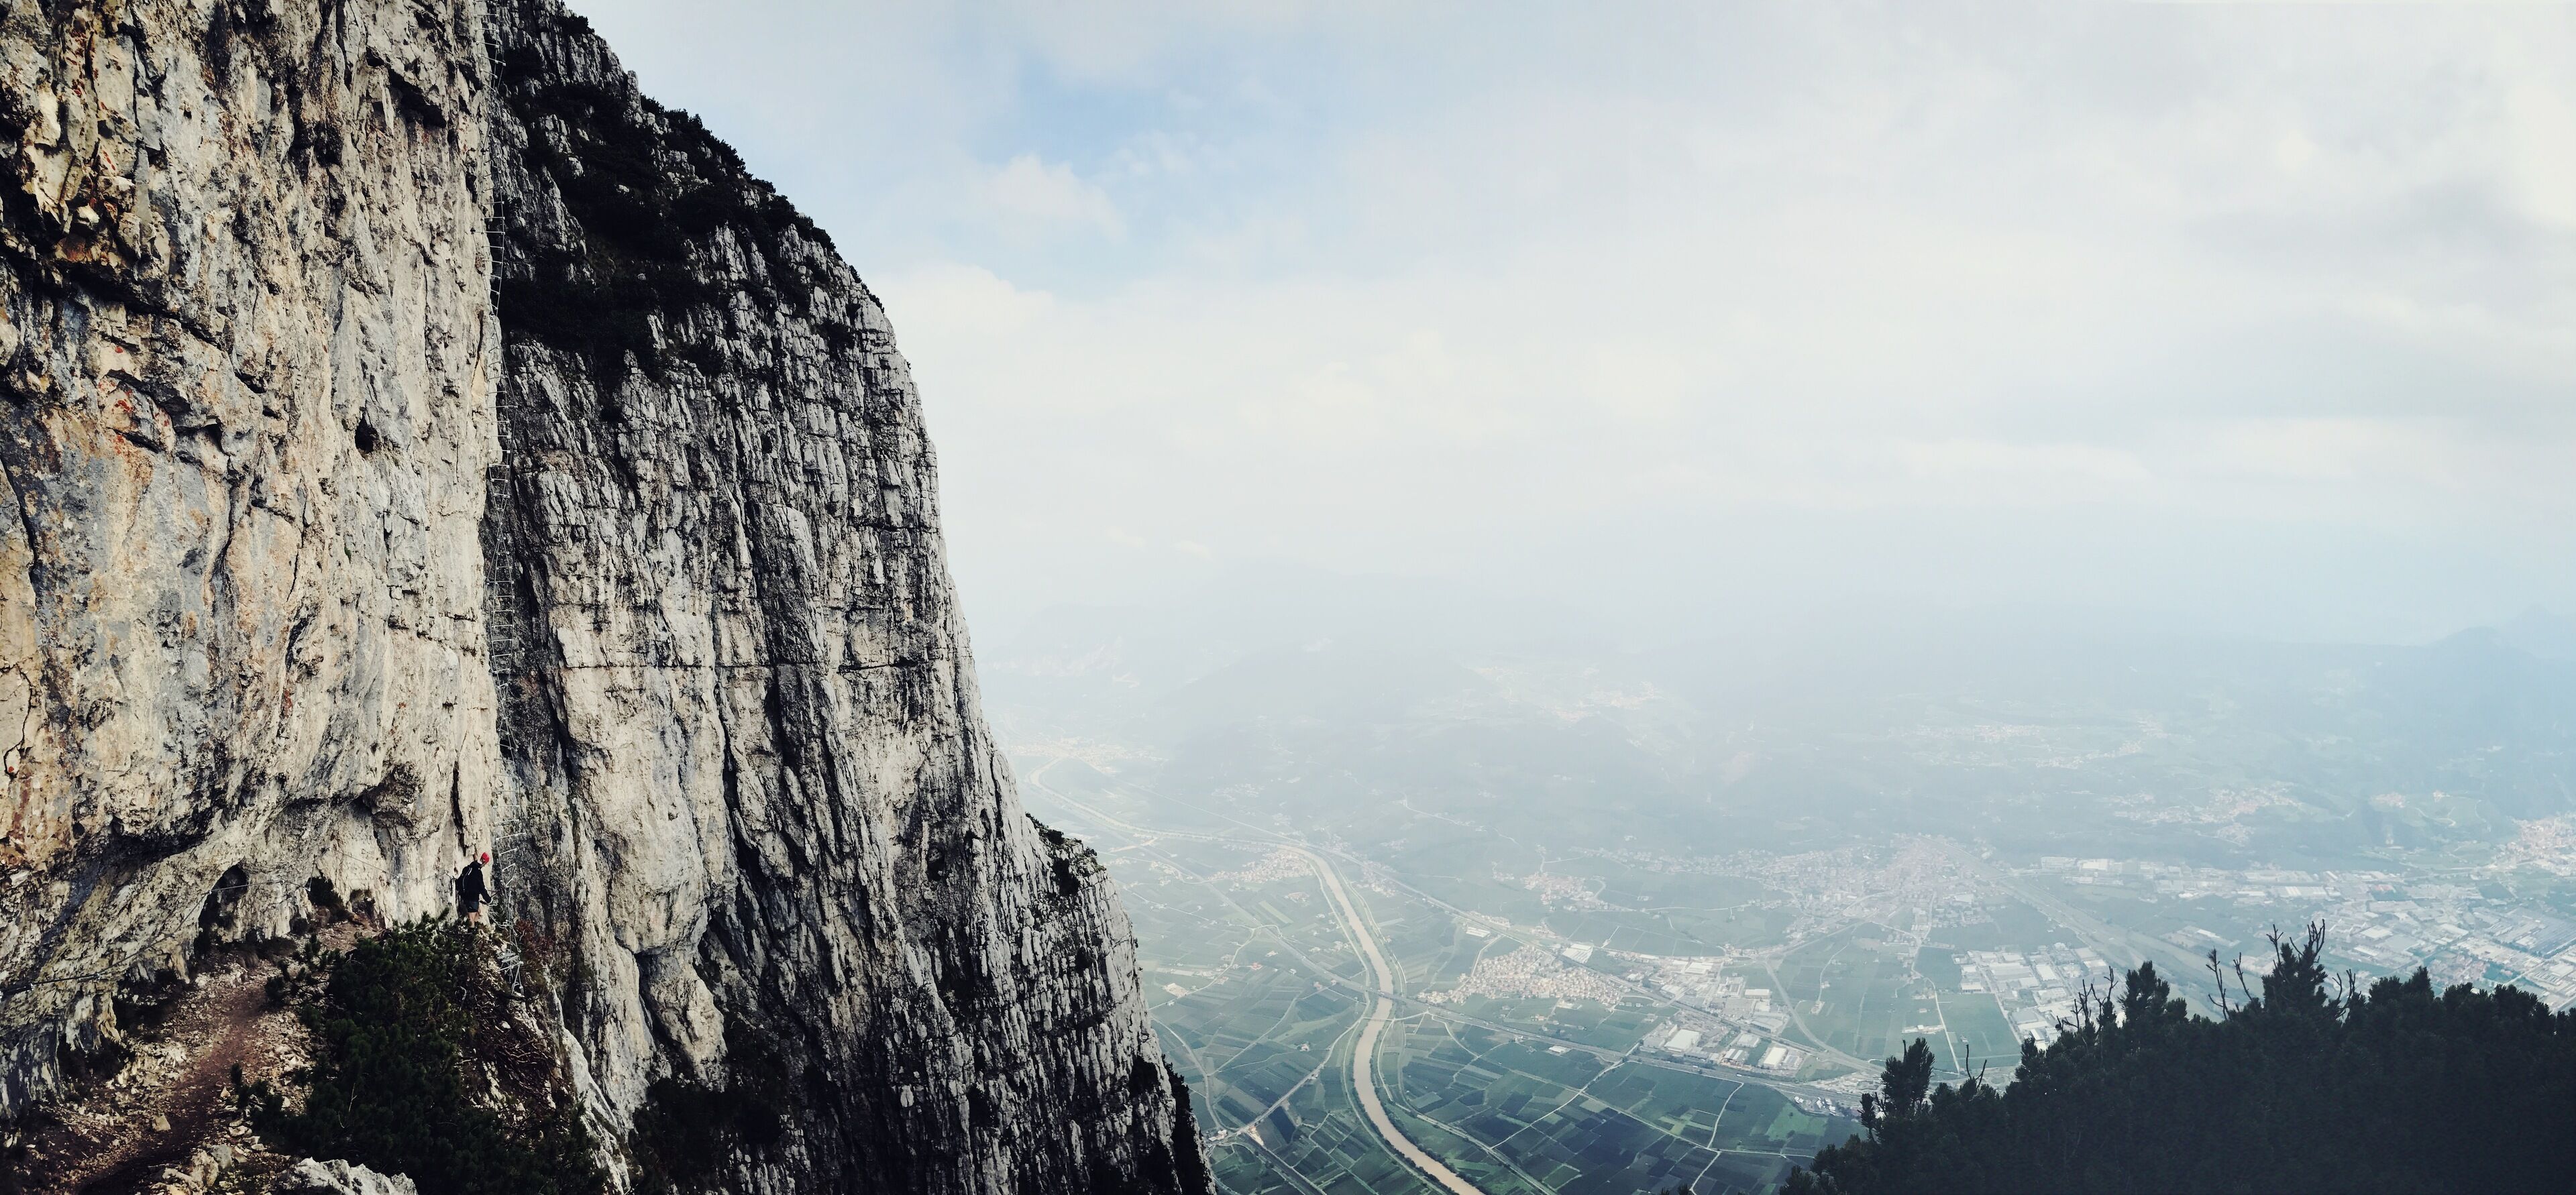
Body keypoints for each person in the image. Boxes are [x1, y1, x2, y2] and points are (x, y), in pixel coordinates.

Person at [456, 852, 490, 925]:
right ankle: (470, 934)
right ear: (484, 862)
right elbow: (481, 887)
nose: (484, 866)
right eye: (485, 864)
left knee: (478, 912)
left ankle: (473, 930)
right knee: (471, 918)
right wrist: (488, 899)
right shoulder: (477, 872)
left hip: (466, 894)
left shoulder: (471, 866)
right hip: (472, 897)